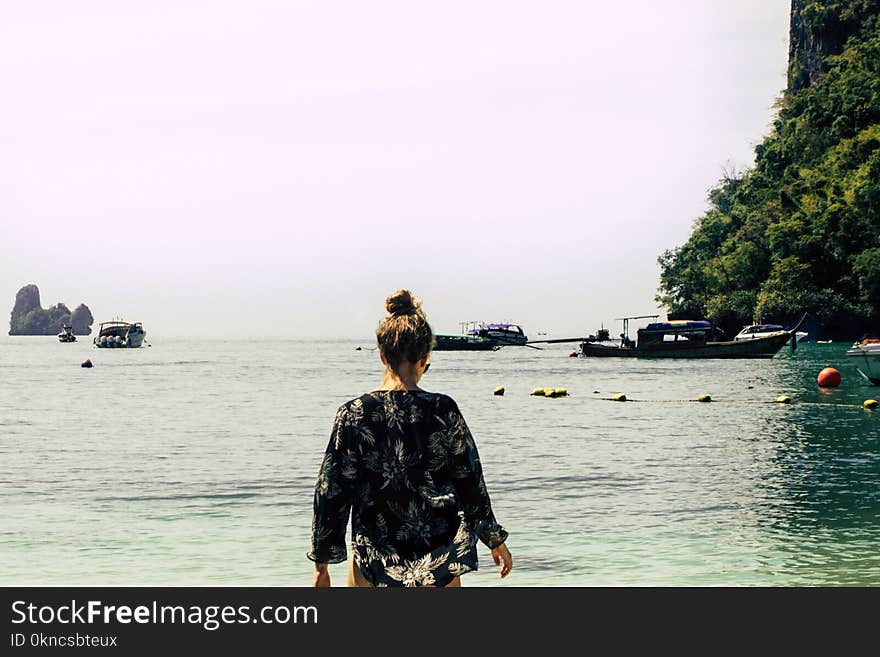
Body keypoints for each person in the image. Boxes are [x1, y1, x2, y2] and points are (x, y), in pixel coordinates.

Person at [307, 289, 512, 587]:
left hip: (375, 557)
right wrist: (494, 539)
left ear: (382, 355)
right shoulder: (444, 409)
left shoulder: (354, 414)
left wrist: (321, 566)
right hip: (437, 559)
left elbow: (331, 492)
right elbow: (470, 481)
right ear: (425, 358)